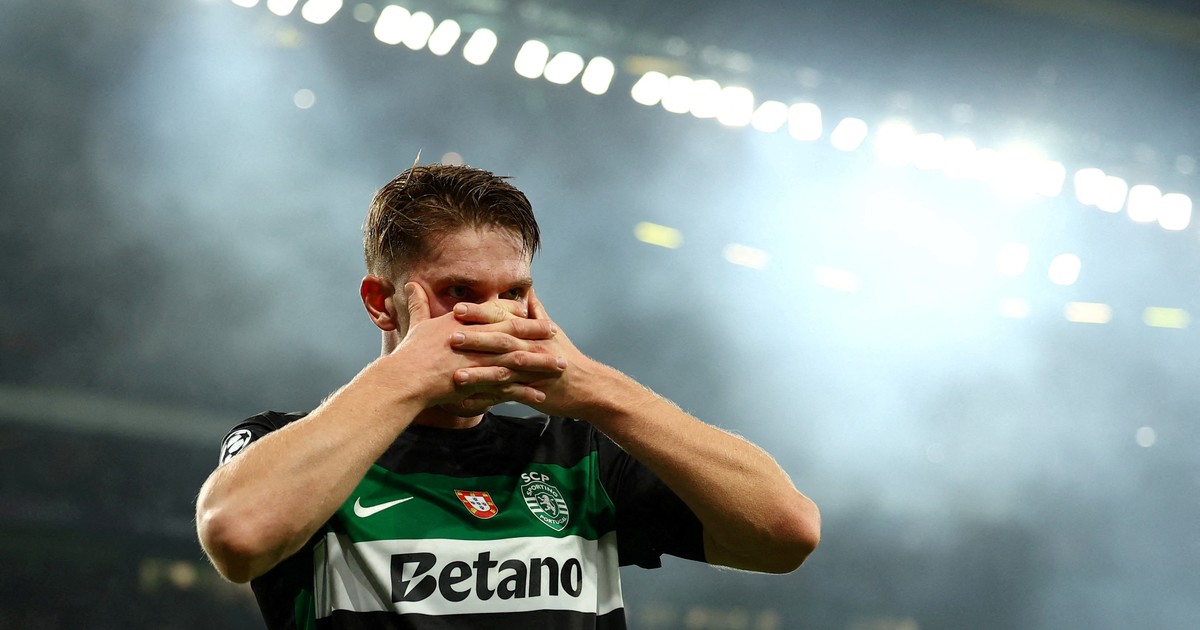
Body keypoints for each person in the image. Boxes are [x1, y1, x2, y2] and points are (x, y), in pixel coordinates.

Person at [195, 164, 820, 629]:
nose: (494, 318)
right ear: (381, 303)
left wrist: (598, 390)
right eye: (459, 293)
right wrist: (407, 377)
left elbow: (786, 532)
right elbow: (238, 536)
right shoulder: (289, 444)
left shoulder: (578, 456)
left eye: (512, 293)